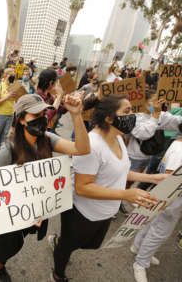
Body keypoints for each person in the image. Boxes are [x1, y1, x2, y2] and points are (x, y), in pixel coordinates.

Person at [48, 94, 167, 282]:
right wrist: (125, 194)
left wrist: (153, 177)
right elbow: (82, 187)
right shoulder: (92, 145)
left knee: (92, 245)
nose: (133, 115)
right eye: (127, 111)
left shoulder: (119, 137)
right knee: (67, 247)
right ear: (109, 118)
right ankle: (58, 272)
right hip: (82, 214)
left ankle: (61, 241)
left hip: (104, 212)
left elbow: (119, 172)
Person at [0, 92, 91, 282]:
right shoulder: (9, 150)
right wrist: (23, 211)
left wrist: (77, 115)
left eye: (43, 115)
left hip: (33, 214)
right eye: (35, 116)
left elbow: (82, 149)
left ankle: (0, 267)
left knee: (14, 246)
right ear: (22, 120)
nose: (42, 119)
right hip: (10, 216)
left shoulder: (48, 139)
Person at [131, 123, 182, 282]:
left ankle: (138, 247)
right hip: (170, 197)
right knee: (160, 232)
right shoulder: (180, 149)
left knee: (153, 224)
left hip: (167, 196)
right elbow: (170, 179)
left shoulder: (177, 143)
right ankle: (141, 263)